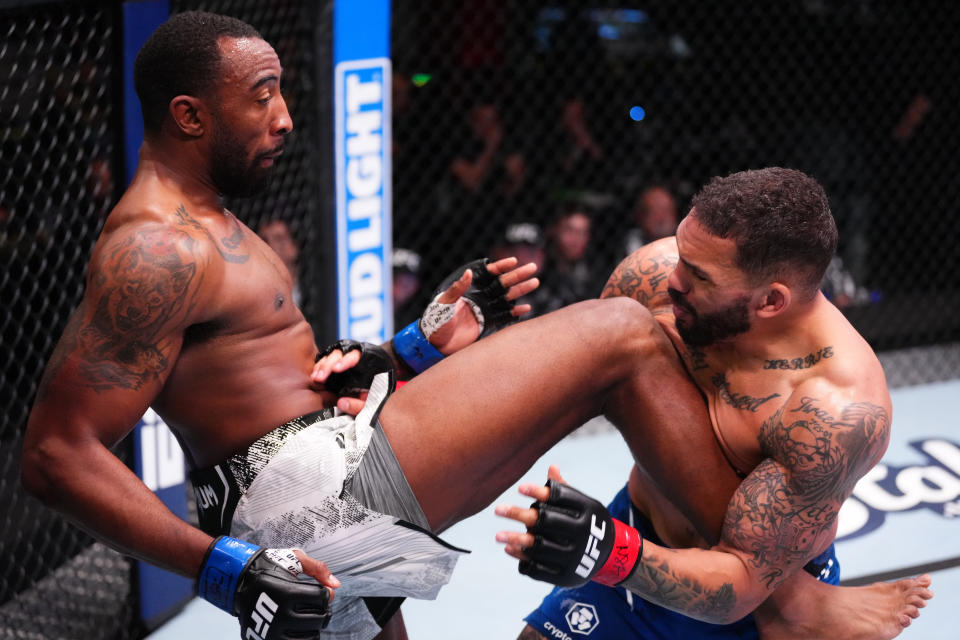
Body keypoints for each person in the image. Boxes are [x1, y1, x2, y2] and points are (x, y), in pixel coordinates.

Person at [20, 13, 928, 640]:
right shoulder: (156, 249)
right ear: (189, 114)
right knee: (624, 333)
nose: (286, 117)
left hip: (317, 468)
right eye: (260, 95)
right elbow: (57, 453)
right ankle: (790, 606)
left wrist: (407, 351)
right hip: (295, 492)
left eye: (282, 90)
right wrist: (221, 568)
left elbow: (254, 382)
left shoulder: (208, 218)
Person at [495, 168, 933, 640]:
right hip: (642, 526)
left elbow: (742, 581)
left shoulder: (831, 410)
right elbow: (590, 379)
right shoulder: (652, 275)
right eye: (681, 253)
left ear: (770, 301)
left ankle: (802, 611)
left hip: (756, 586)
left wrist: (608, 552)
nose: (673, 280)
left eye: (698, 276)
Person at [257, 217, 302, 307]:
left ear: (294, 245)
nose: (271, 246)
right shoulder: (257, 290)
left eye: (279, 239)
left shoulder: (314, 286)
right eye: (265, 241)